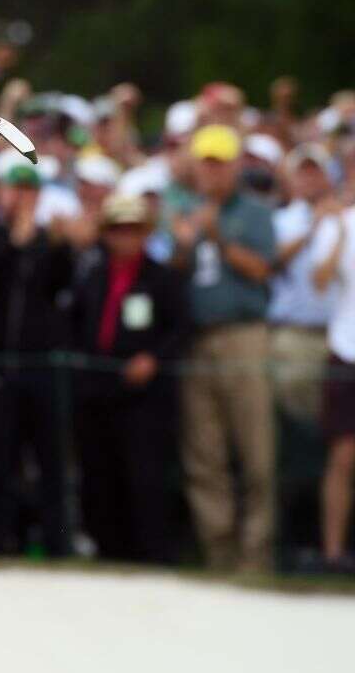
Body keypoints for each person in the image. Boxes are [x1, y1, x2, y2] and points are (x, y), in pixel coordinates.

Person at [171, 124, 277, 572]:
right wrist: (181, 247)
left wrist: (216, 237)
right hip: (198, 338)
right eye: (204, 162)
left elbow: (260, 271)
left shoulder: (253, 212)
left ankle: (255, 557)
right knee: (204, 452)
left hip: (243, 336)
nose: (210, 171)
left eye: (218, 162)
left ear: (235, 166)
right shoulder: (190, 211)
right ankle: (218, 553)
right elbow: (181, 274)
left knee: (255, 451)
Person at [67, 192, 190, 563]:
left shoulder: (163, 278)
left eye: (133, 229)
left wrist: (153, 358)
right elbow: (74, 321)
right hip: (99, 390)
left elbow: (180, 327)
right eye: (118, 229)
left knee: (144, 474)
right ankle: (109, 550)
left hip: (144, 395)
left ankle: (151, 553)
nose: (125, 236)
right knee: (100, 472)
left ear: (145, 233)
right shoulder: (93, 275)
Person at [0, 163, 74, 557]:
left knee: (49, 457)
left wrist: (62, 247)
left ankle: (55, 543)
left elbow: (62, 285)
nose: (23, 198)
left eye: (31, 191)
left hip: (39, 366)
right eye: (17, 189)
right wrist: (15, 241)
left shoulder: (48, 241)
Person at [267, 144, 341, 425]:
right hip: (295, 332)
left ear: (328, 177)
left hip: (341, 333)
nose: (310, 179)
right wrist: (313, 230)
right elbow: (272, 263)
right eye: (303, 173)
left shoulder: (347, 217)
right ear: (292, 179)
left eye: (316, 172)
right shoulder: (280, 219)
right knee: (296, 406)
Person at [311, 195, 355, 569]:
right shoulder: (340, 222)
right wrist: (339, 232)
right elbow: (320, 281)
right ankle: (333, 553)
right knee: (342, 457)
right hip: (347, 347)